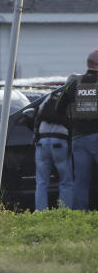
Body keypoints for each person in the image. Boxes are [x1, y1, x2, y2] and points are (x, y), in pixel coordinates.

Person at [55, 50, 98, 210]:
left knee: (81, 181)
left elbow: (59, 108)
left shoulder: (74, 84)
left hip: (79, 138)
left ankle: (80, 217)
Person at [33, 85, 73, 210]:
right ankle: (65, 213)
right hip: (60, 141)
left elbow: (38, 113)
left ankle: (41, 213)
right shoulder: (71, 97)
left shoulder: (50, 96)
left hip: (42, 141)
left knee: (41, 182)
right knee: (66, 181)